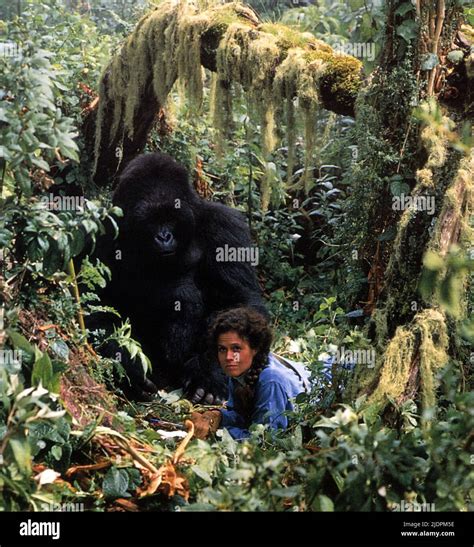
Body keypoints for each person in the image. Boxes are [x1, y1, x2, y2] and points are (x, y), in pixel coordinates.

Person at [190, 307, 310, 440]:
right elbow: (241, 416)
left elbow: (266, 440)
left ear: (255, 349)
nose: (229, 357)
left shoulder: (271, 381)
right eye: (222, 349)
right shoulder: (239, 368)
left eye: (236, 348)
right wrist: (215, 415)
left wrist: (217, 433)